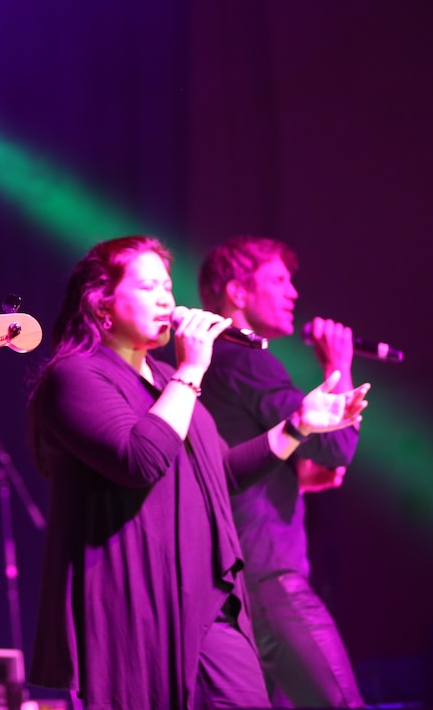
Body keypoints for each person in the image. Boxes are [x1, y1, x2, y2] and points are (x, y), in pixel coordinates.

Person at [26, 236, 370, 710]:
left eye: (168, 285)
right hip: (137, 602)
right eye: (149, 286)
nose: (167, 298)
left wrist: (299, 425)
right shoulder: (76, 378)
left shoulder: (168, 381)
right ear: (102, 303)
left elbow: (219, 474)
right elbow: (140, 459)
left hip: (208, 596)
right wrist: (192, 368)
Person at [199, 236, 365, 707]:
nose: (293, 292)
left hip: (240, 579)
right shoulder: (247, 360)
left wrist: (295, 478)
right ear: (237, 293)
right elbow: (335, 445)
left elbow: (235, 464)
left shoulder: (216, 363)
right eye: (277, 280)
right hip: (272, 579)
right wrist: (338, 364)